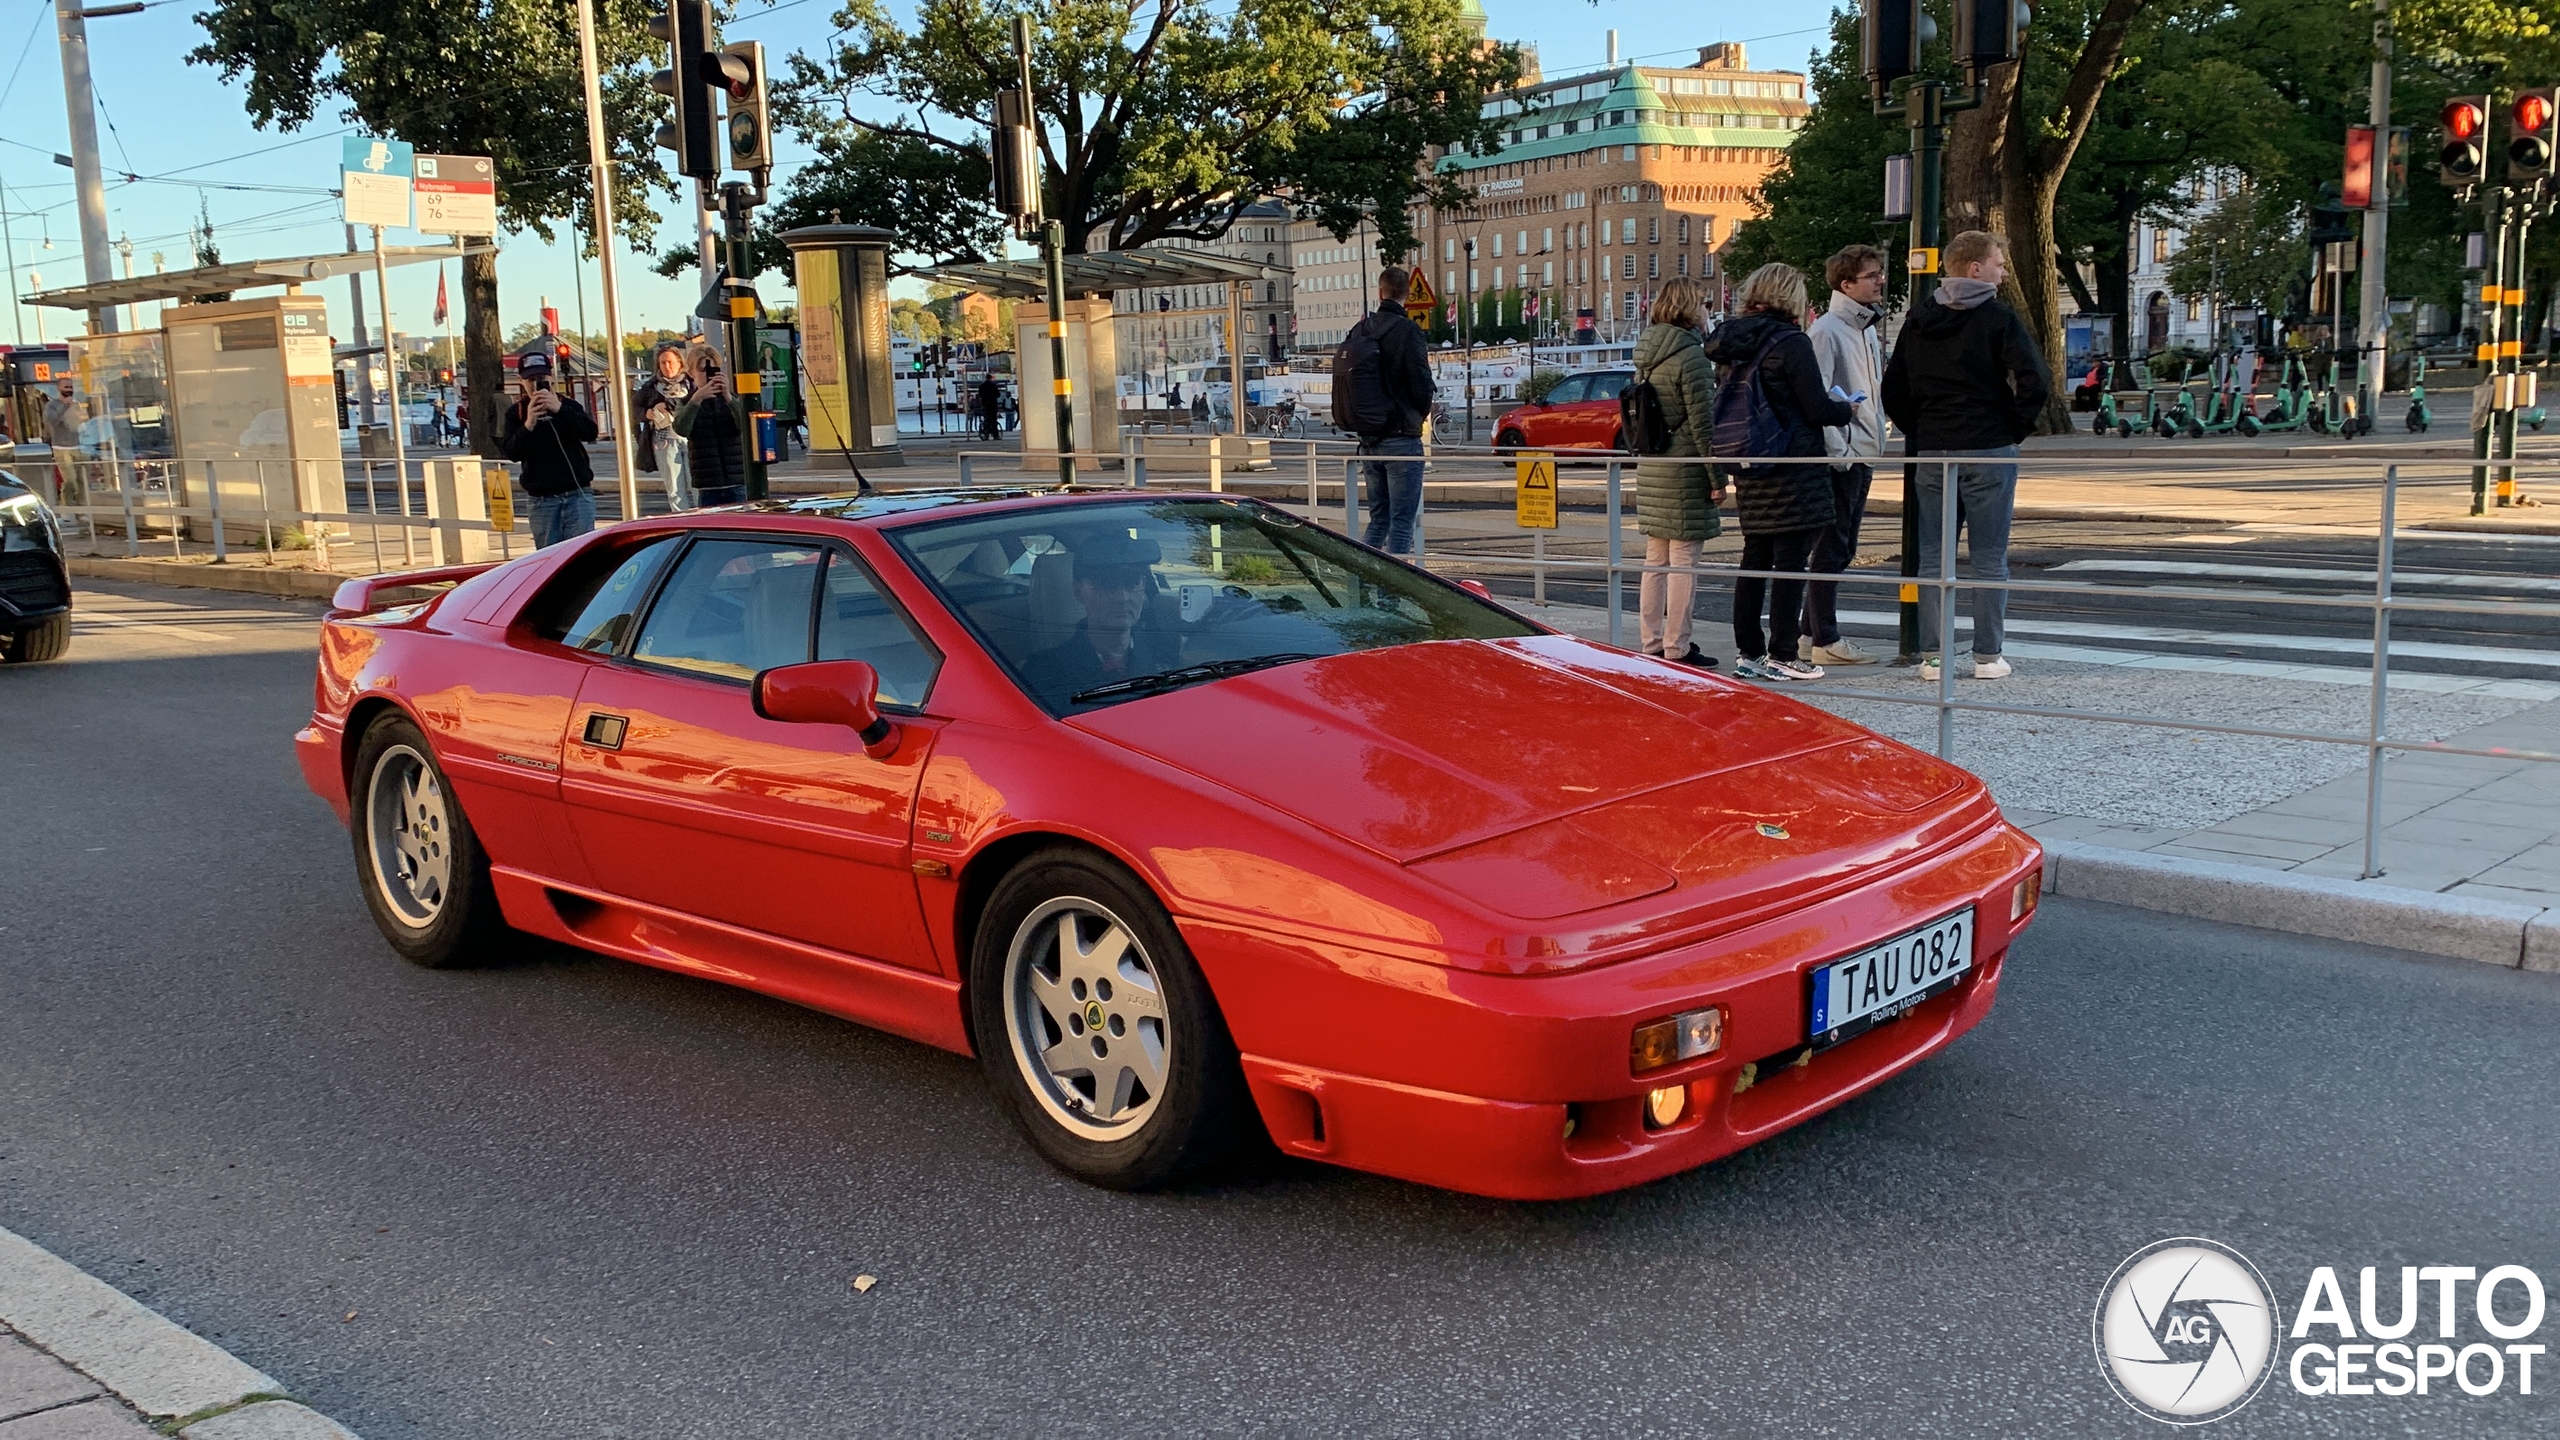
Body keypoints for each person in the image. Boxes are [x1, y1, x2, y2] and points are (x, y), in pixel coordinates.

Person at [1881, 229, 2051, 682]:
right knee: (1989, 556)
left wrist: (1921, 429)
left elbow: (1893, 388)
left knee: (1934, 556)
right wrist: (2012, 428)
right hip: (1988, 447)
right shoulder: (1999, 318)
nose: (2003, 271)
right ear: (1975, 269)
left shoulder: (1919, 319)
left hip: (1933, 449)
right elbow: (2035, 380)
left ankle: (1934, 657)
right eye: (1998, 263)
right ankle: (1987, 656)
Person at [1706, 263, 1853, 682]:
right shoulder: (1791, 342)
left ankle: (1748, 653)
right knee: (1790, 563)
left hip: (1749, 461)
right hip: (1792, 463)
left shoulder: (1733, 343)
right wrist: (1848, 409)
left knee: (1755, 558)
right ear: (1792, 297)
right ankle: (1784, 653)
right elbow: (1816, 408)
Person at [1802, 244, 1890, 667]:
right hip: (1846, 454)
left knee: (1843, 543)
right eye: (1872, 275)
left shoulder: (1865, 328)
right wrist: (1840, 450)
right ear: (1846, 284)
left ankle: (1810, 632)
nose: (1881, 280)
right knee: (1834, 546)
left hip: (1863, 449)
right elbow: (1819, 396)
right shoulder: (1829, 331)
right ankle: (1826, 637)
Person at [1628, 275, 1720, 668]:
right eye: (1703, 303)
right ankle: (1678, 646)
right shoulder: (1691, 358)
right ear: (1688, 307)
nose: (1707, 311)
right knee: (1684, 562)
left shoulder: (1645, 354)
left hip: (1653, 465)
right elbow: (1703, 424)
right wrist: (1717, 478)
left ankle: (1650, 643)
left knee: (1655, 561)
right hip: (1684, 467)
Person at [1336, 265, 1436, 553]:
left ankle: (1364, 583)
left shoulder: (1360, 329)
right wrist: (1420, 412)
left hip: (1368, 438)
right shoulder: (1408, 331)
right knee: (1402, 522)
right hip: (1402, 436)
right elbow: (1421, 381)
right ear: (1407, 294)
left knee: (1378, 520)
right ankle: (1394, 595)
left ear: (1380, 293)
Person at [1018, 533, 1181, 706]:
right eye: (1107, 583)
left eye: (1132, 582)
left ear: (1143, 585)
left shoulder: (1167, 649)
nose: (1123, 597)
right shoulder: (1044, 671)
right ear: (1078, 591)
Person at [499, 348, 599, 546]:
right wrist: (529, 424)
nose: (537, 385)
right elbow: (511, 452)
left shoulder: (568, 405)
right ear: (521, 381)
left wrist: (560, 410)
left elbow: (590, 433)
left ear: (551, 377)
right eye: (531, 380)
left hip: (577, 495)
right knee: (549, 559)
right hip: (542, 501)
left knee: (582, 556)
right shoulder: (516, 413)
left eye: (542, 378)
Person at [673, 341, 747, 507]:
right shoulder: (686, 402)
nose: (708, 375)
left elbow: (745, 427)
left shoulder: (731, 398)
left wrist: (728, 397)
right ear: (691, 373)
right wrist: (696, 400)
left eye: (713, 370)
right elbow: (681, 429)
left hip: (737, 480)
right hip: (708, 483)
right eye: (702, 370)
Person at [634, 341, 694, 511]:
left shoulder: (691, 383)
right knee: (674, 488)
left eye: (671, 362)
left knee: (696, 484)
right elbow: (635, 408)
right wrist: (648, 413)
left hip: (690, 439)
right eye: (663, 363)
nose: (667, 366)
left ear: (680, 363)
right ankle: (682, 523)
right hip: (664, 440)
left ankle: (701, 520)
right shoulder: (650, 386)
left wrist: (667, 404)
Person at [43, 375, 86, 508]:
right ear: (58, 388)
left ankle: (83, 509)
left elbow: (83, 421)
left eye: (71, 387)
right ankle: (67, 507)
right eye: (66, 387)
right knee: (70, 480)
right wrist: (65, 406)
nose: (69, 390)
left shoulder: (76, 404)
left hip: (78, 445)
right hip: (61, 448)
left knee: (82, 481)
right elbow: (51, 422)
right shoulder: (52, 405)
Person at [976, 373, 1001, 442]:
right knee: (994, 420)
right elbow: (998, 394)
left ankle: (986, 433)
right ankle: (995, 434)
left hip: (985, 405)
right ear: (991, 378)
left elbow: (980, 396)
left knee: (986, 419)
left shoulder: (982, 386)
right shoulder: (993, 385)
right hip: (993, 405)